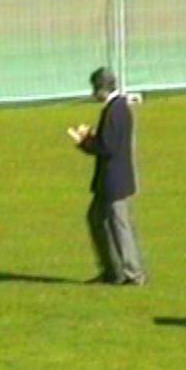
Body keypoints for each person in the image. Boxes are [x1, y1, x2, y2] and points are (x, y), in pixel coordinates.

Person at [67, 67, 146, 285]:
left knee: (119, 226)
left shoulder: (114, 110)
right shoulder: (120, 107)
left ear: (101, 88)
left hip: (114, 181)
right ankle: (114, 269)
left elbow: (107, 147)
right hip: (112, 180)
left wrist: (83, 141)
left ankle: (131, 273)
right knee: (97, 219)